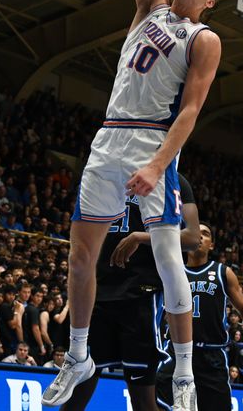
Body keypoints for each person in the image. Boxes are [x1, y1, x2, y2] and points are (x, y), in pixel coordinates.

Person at [42, 0, 224, 408]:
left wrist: (157, 165)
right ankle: (77, 357)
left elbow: (190, 112)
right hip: (108, 138)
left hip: (151, 142)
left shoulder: (204, 37)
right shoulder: (150, 5)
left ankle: (185, 373)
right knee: (80, 256)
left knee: (170, 259)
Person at [62, 173, 199, 411]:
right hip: (97, 290)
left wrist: (141, 237)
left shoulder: (175, 180)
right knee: (77, 392)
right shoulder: (103, 170)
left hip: (141, 293)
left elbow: (192, 237)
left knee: (142, 397)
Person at [157, 223, 243, 411]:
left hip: (212, 354)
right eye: (195, 233)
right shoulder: (173, 271)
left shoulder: (223, 272)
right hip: (178, 352)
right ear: (184, 241)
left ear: (212, 245)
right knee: (154, 394)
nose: (199, 237)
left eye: (205, 234)